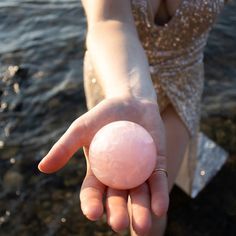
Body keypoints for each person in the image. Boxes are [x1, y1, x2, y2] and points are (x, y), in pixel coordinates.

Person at [38, 0, 230, 235]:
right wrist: (130, 95)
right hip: (117, 79)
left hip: (183, 83)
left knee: (149, 210)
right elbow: (108, 20)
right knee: (135, 197)